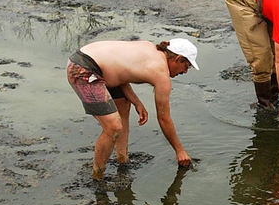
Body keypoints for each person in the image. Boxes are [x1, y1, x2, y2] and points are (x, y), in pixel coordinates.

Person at [66, 38, 198, 180]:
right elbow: (164, 118)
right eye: (187, 66)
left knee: (123, 104)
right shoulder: (161, 74)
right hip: (82, 69)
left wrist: (136, 102)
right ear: (178, 58)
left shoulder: (150, 48)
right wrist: (180, 151)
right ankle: (97, 176)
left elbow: (121, 70)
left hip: (93, 62)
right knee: (113, 126)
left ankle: (122, 159)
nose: (185, 72)